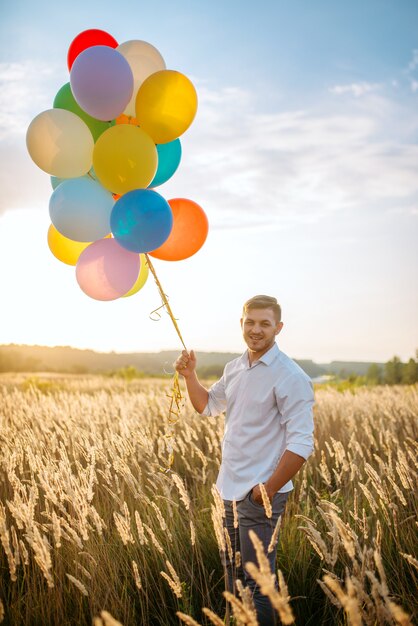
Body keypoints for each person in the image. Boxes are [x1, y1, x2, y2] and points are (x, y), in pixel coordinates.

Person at [175, 295, 315, 625]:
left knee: (258, 584)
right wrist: (190, 376)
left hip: (260, 494)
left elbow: (301, 444)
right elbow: (207, 405)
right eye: (250, 322)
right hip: (228, 490)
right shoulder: (235, 367)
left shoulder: (290, 376)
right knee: (234, 580)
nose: (256, 330)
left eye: (265, 323)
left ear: (278, 328)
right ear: (241, 324)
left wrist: (266, 490)